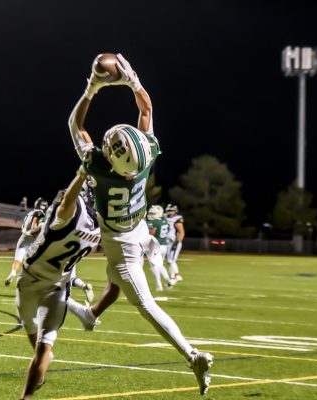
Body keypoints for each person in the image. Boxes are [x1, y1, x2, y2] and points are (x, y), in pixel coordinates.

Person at [67, 54, 213, 395]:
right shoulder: (147, 152)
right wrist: (133, 81)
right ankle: (90, 315)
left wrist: (92, 88)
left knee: (145, 304)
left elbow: (75, 125)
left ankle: (192, 356)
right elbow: (146, 109)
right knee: (114, 282)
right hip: (139, 228)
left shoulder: (100, 167)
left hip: (123, 243)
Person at [14, 170, 101, 399]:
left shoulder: (67, 211)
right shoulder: (101, 229)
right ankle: (28, 394)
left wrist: (82, 173)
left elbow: (67, 204)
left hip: (32, 278)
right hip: (59, 285)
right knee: (43, 345)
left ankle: (28, 393)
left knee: (32, 328)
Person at [8, 198, 48, 283]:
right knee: (35, 261)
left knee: (18, 259)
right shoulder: (39, 213)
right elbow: (34, 226)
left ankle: (13, 272)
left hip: (23, 237)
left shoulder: (31, 212)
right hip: (33, 239)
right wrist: (39, 228)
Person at [146, 205, 176, 291]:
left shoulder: (154, 222)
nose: (151, 215)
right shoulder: (165, 220)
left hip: (156, 246)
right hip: (164, 246)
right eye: (151, 213)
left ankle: (159, 285)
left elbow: (151, 234)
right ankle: (168, 280)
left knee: (154, 266)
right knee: (160, 265)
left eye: (153, 213)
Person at [165, 204, 185, 282]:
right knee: (169, 261)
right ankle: (173, 277)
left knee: (171, 260)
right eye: (169, 210)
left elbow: (181, 233)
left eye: (171, 210)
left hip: (174, 242)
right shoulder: (165, 217)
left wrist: (176, 244)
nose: (170, 212)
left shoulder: (177, 219)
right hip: (167, 242)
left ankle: (177, 275)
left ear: (175, 211)